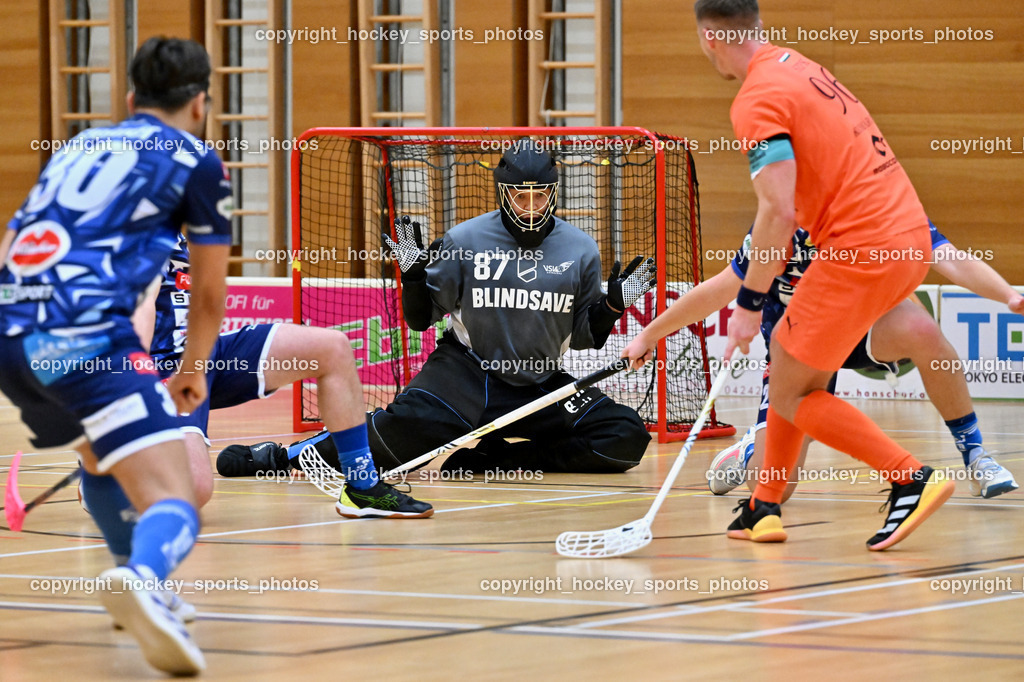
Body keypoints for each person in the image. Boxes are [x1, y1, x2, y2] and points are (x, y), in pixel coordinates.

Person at [692, 0, 954, 551]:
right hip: (907, 236)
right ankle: (763, 508)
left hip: (859, 248)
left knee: (789, 387)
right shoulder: (802, 66)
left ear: (708, 38)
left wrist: (747, 305)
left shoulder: (756, 99)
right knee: (789, 373)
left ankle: (910, 477)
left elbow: (778, 213)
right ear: (755, 24)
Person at [0, 37, 225, 675]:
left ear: (130, 99)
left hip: (12, 332)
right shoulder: (198, 160)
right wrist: (191, 371)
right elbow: (208, 294)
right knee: (177, 497)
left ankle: (147, 584)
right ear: (200, 103)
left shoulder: (77, 145)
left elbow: (12, 243)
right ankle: (144, 576)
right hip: (88, 337)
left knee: (100, 456)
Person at [235, 142, 655, 477]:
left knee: (624, 436)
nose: (530, 206)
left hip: (539, 385)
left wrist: (613, 305)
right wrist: (414, 277)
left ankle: (496, 462)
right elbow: (420, 320)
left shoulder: (580, 249)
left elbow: (585, 337)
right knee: (389, 454)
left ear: (553, 193)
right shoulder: (465, 239)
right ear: (503, 193)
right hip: (464, 377)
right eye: (520, 195)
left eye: (540, 195)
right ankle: (280, 458)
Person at [623, 221, 1021, 503]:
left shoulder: (879, 208)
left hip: (861, 326)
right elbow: (719, 290)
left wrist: (1009, 296)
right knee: (772, 483)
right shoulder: (779, 227)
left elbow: (950, 260)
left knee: (924, 332)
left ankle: (976, 456)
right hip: (799, 347)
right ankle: (752, 449)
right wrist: (649, 334)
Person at [137, 230, 433, 520]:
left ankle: (362, 486)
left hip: (210, 354)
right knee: (194, 489)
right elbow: (140, 309)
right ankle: (100, 467)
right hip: (164, 369)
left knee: (333, 349)